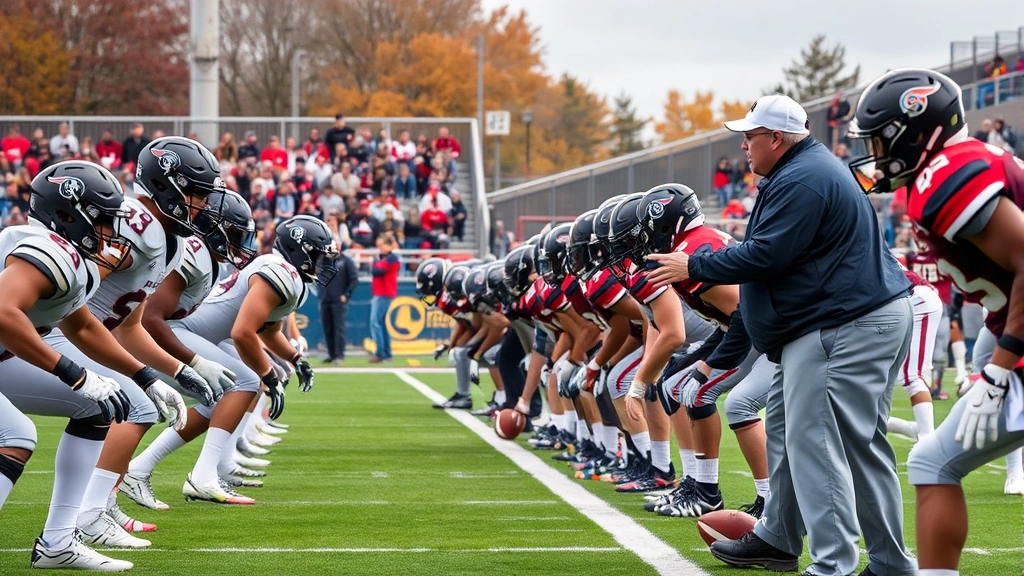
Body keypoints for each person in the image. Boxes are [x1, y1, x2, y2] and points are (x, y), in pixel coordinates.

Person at [647, 94, 916, 576]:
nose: (744, 147)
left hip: (843, 324)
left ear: (775, 138)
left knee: (818, 442)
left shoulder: (804, 178)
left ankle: (837, 563)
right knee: (795, 433)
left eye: (749, 137)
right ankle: (780, 536)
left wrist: (694, 264)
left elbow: (765, 256)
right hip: (844, 320)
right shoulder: (801, 172)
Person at [848, 67, 1024, 576]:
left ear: (914, 131)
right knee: (934, 460)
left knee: (933, 463)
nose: (877, 156)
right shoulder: (950, 167)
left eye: (882, 141)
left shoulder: (945, 176)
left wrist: (1000, 369)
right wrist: (993, 350)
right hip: (1007, 335)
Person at [320, 247, 358, 364]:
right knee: (328, 328)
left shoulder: (346, 261)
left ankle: (339, 355)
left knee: (339, 328)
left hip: (338, 300)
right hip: (325, 299)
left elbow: (354, 279)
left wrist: (346, 294)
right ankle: (331, 354)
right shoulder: (324, 261)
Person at [369, 233, 400, 363]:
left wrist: (376, 262)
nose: (379, 247)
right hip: (381, 292)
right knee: (381, 324)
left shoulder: (392, 258)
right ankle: (387, 353)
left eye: (382, 245)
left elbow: (377, 271)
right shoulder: (386, 258)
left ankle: (380, 352)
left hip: (384, 293)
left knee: (375, 322)